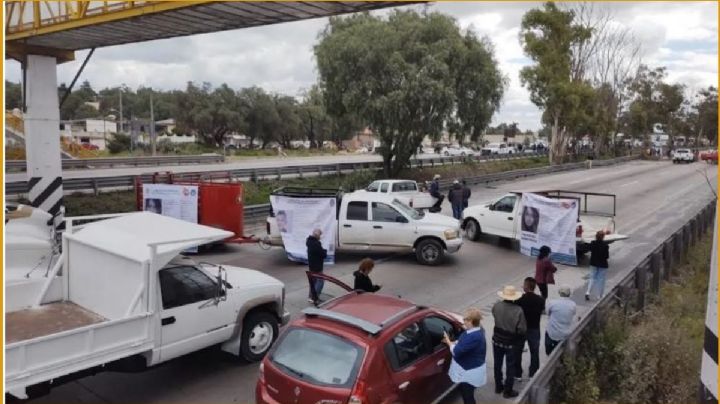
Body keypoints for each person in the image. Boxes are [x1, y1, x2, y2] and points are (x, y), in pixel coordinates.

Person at [443, 308, 487, 404]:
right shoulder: (476, 331)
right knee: (466, 393)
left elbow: (456, 352)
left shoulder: (474, 336)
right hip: (470, 368)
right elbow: (464, 340)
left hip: (470, 371)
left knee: (467, 396)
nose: (463, 322)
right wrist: (456, 342)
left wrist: (449, 342)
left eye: (465, 320)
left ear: (471, 321)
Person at [492, 285, 526, 398]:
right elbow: (522, 329)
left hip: (496, 339)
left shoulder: (496, 306)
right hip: (510, 342)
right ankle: (508, 391)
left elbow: (494, 315)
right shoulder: (518, 310)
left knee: (497, 364)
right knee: (510, 366)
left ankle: (498, 386)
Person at [514, 277, 545, 379]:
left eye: (524, 285)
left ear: (526, 287)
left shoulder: (519, 299)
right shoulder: (540, 300)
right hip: (534, 328)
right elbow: (541, 311)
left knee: (518, 351)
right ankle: (533, 372)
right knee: (534, 351)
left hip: (521, 329)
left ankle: (518, 373)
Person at [545, 286, 577, 355]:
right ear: (569, 294)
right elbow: (573, 314)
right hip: (565, 334)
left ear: (559, 293)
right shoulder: (573, 305)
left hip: (552, 333)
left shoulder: (552, 303)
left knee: (549, 349)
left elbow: (548, 313)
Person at [586, 231, 610, 301]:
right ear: (603, 237)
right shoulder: (605, 245)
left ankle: (588, 292)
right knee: (601, 280)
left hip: (593, 263)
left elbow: (590, 249)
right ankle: (599, 295)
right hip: (602, 264)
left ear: (596, 236)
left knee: (592, 278)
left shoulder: (593, 243)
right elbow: (606, 256)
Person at [306, 228, 327, 304]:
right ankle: (315, 297)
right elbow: (323, 254)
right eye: (320, 235)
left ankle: (310, 297)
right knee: (321, 281)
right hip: (317, 266)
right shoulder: (316, 244)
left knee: (313, 281)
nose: (320, 237)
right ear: (317, 235)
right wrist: (325, 251)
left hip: (311, 265)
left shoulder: (309, 241)